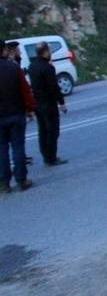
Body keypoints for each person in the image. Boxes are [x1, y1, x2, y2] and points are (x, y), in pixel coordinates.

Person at [0, 40, 36, 193]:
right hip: (16, 112)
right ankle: (21, 179)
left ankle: (4, 183)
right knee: (18, 146)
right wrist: (30, 108)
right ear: (3, 50)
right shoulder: (13, 67)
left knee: (1, 149)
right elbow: (25, 90)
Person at [28, 42, 68, 166]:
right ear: (45, 52)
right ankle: (51, 157)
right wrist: (61, 102)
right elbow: (53, 87)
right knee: (53, 131)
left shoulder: (32, 66)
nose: (50, 53)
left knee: (43, 130)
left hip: (37, 103)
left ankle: (46, 155)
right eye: (49, 50)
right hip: (48, 103)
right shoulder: (47, 67)